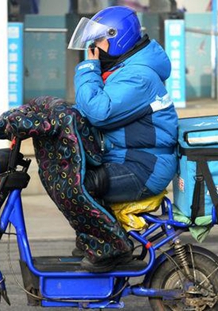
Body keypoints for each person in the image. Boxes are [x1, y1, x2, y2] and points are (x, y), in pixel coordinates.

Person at [67, 6, 178, 268]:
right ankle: (96, 239)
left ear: (120, 37)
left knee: (79, 185)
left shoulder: (138, 76)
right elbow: (88, 109)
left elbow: (99, 112)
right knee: (70, 175)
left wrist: (87, 70)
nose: (93, 48)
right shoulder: (125, 69)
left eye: (98, 40)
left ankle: (113, 248)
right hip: (130, 159)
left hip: (144, 167)